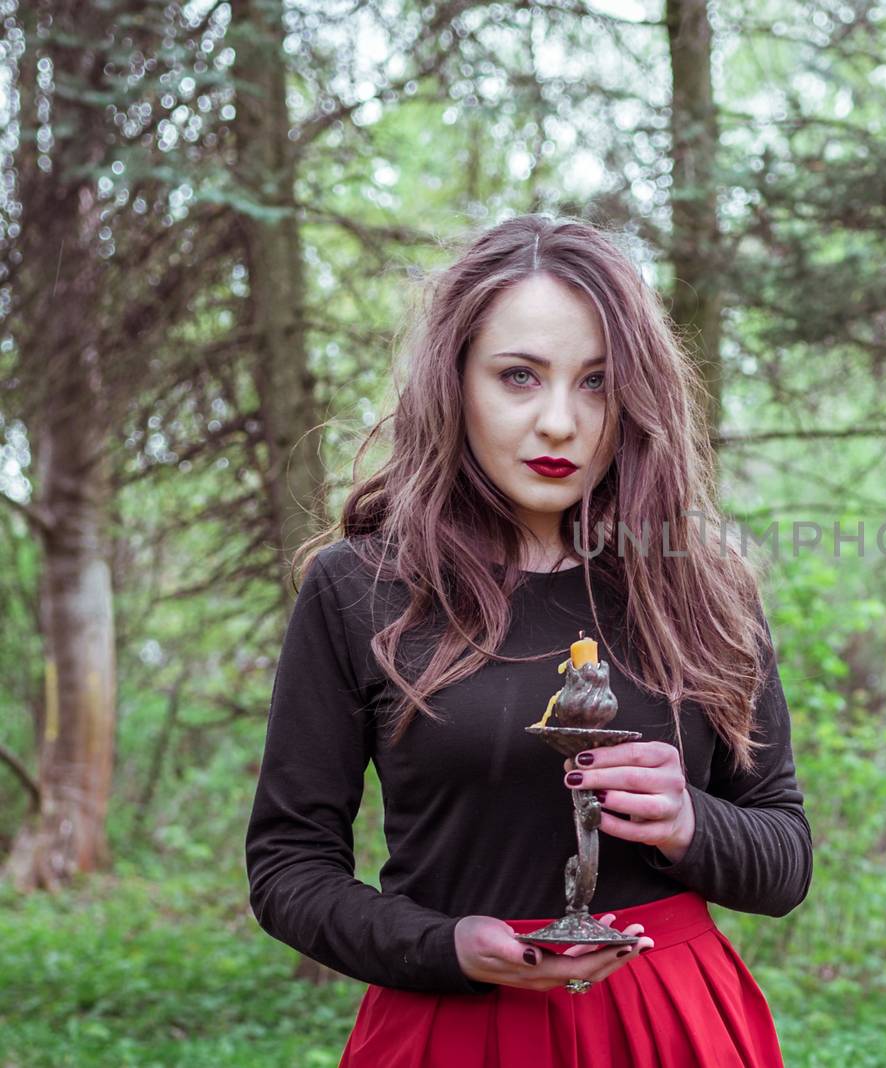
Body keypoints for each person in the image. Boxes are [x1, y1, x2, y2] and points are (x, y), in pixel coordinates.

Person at [244, 213, 812, 1066]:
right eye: (519, 376)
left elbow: (784, 855)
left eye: (596, 382)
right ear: (455, 381)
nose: (559, 422)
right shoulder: (361, 587)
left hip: (668, 1027)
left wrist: (688, 822)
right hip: (452, 1027)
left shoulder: (700, 584)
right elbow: (289, 866)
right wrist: (443, 946)